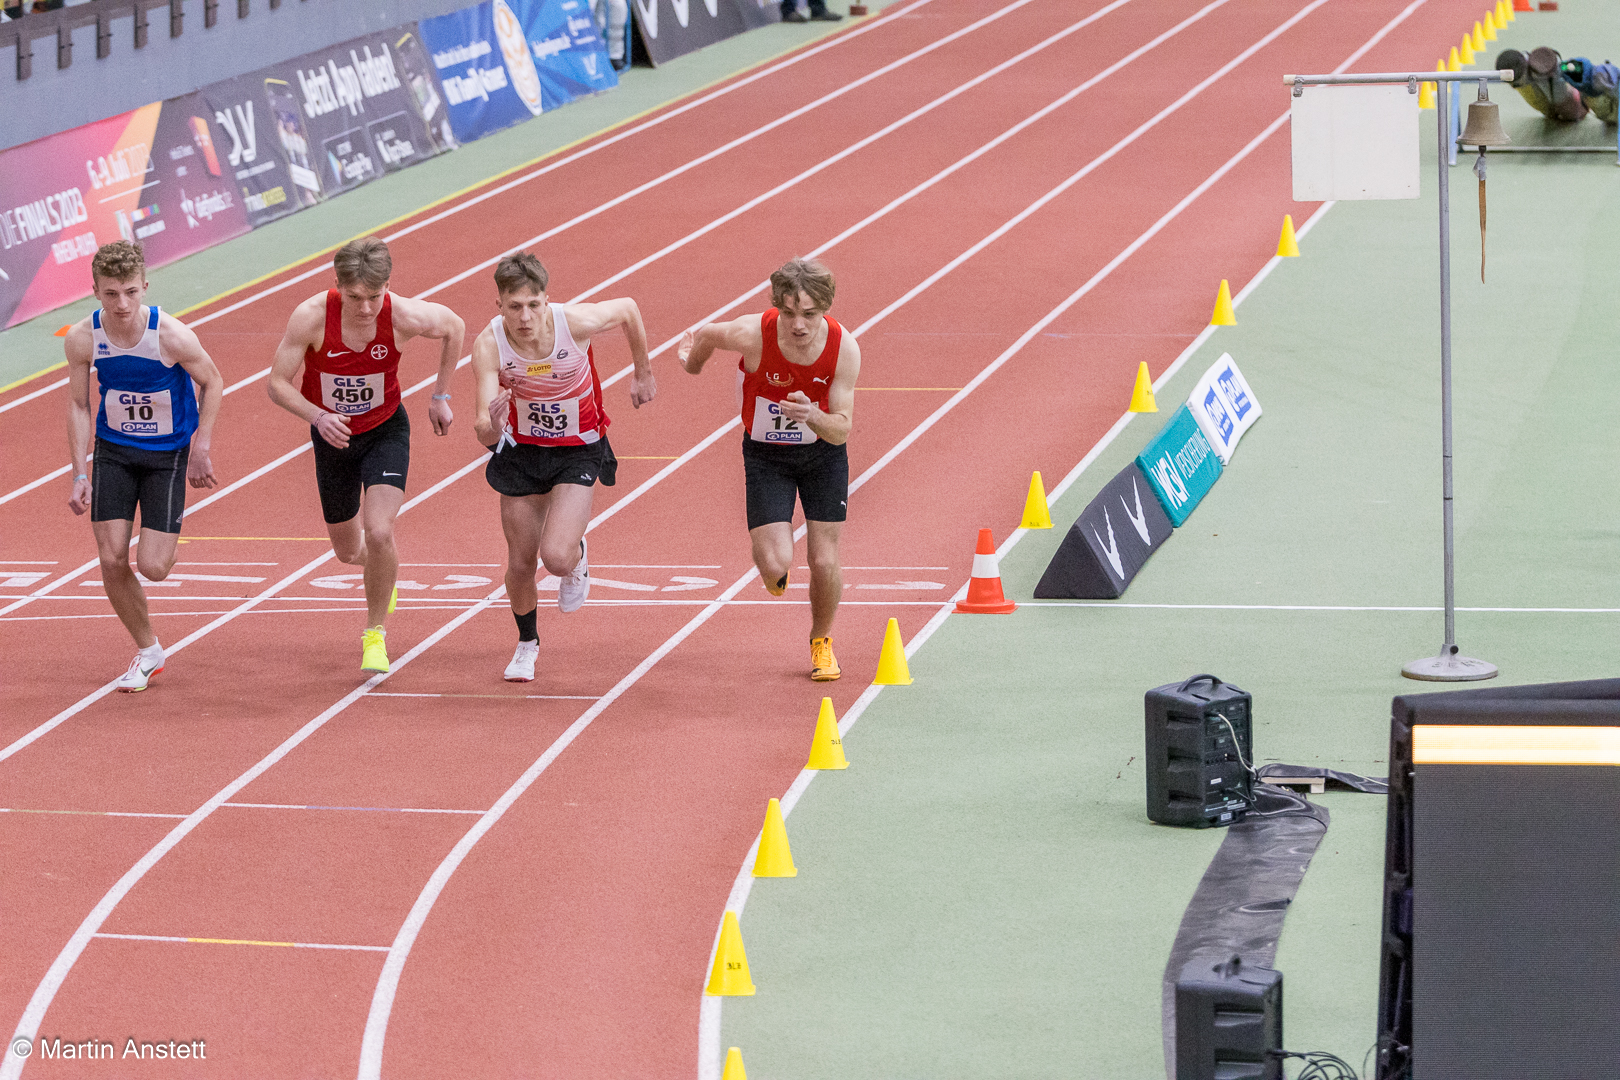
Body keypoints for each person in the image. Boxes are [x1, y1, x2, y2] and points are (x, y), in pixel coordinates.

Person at [267, 236, 465, 675]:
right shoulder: (311, 317)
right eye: (355, 297)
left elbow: (454, 326)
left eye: (374, 296)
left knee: (378, 530)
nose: (365, 307)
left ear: (387, 286)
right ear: (337, 285)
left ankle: (374, 634)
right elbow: (277, 383)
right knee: (347, 550)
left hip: (385, 431)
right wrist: (318, 416)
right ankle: (382, 572)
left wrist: (441, 395)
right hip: (332, 437)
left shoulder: (403, 315)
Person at [471, 252, 655, 682]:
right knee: (521, 562)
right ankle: (526, 644)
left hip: (578, 447)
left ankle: (577, 556)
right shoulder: (489, 345)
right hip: (522, 450)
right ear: (499, 305)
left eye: (533, 305)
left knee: (555, 557)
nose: (525, 317)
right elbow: (482, 430)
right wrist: (491, 423)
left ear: (546, 300)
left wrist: (642, 372)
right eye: (514, 307)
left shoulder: (573, 324)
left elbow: (628, 309)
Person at [679, 256, 859, 681]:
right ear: (777, 306)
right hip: (766, 456)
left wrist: (812, 416)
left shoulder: (844, 349)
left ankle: (821, 641)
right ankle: (775, 569)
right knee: (776, 565)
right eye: (789, 313)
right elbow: (707, 334)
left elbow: (841, 431)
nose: (798, 325)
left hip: (823, 456)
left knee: (823, 559)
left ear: (825, 309)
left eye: (809, 314)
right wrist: (691, 362)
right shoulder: (753, 334)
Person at [65, 240, 223, 692]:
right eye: (111, 294)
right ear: (96, 291)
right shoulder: (83, 337)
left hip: (166, 456)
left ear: (145, 288)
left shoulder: (170, 335)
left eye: (131, 292)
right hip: (114, 451)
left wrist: (201, 447)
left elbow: (213, 381)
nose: (122, 304)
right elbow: (78, 404)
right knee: (111, 557)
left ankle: (164, 538)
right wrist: (79, 472)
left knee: (153, 567)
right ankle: (149, 650)